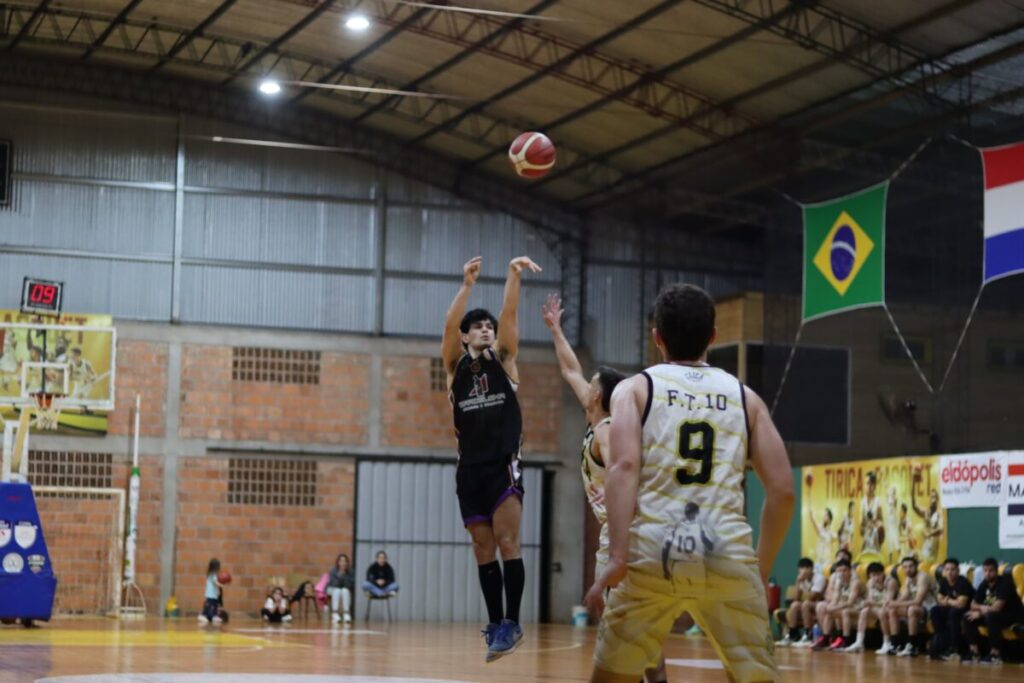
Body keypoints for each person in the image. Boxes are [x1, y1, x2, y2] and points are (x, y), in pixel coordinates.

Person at [585, 283, 795, 683]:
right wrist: (759, 570)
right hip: (725, 550)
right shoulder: (745, 398)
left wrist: (617, 557)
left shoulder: (635, 389)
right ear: (713, 337)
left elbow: (623, 467)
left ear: (656, 338)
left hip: (650, 552)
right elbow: (783, 491)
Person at [541, 293, 670, 683]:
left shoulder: (610, 432)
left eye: (591, 384)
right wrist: (556, 329)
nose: (586, 385)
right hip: (621, 535)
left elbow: (629, 474)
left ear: (598, 396)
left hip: (625, 537)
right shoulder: (598, 414)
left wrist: (622, 542)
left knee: (622, 627)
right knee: (633, 624)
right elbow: (569, 370)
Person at [441, 255, 541, 662]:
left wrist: (512, 276)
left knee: (506, 541)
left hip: (502, 464)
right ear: (466, 337)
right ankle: (497, 623)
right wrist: (466, 285)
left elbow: (510, 313)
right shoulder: (455, 367)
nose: (485, 329)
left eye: (488, 326)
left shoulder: (505, 360)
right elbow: (449, 326)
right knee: (482, 549)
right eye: (477, 326)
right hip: (469, 471)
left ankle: (513, 623)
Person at [964, 557, 1024, 664]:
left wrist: (981, 612)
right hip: (993, 615)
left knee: (991, 616)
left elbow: (997, 608)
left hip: (1013, 616)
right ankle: (974, 652)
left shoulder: (1005, 583)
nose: (987, 573)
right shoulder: (984, 584)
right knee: (968, 616)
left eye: (991, 571)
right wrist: (982, 609)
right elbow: (973, 604)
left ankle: (995, 654)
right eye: (985, 571)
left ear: (996, 571)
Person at [884, 556, 937, 657]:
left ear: (916, 566)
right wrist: (891, 603)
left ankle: (913, 646)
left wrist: (896, 603)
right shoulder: (908, 579)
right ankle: (895, 644)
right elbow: (904, 596)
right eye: (905, 567)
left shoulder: (923, 577)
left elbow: (918, 601)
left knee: (912, 609)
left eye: (911, 566)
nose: (908, 569)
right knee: (893, 610)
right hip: (918, 608)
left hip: (931, 608)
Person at [842, 561, 896, 653]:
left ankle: (887, 642)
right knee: (864, 611)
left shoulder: (890, 582)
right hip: (877, 607)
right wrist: (867, 603)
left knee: (881, 612)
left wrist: (871, 603)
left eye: (878, 574)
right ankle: (859, 642)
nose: (876, 578)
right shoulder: (870, 583)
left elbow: (888, 602)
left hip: (891, 607)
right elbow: (870, 600)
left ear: (883, 573)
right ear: (869, 576)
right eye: (873, 575)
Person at [929, 557, 973, 660]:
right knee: (935, 610)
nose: (950, 572)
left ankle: (955, 648)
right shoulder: (944, 581)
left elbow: (961, 604)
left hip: (966, 610)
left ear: (958, 570)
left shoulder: (963, 582)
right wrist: (949, 601)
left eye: (953, 569)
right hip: (951, 608)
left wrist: (947, 601)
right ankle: (940, 643)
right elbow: (939, 599)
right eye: (947, 569)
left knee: (954, 613)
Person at [776, 557, 825, 647]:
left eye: (803, 569)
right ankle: (792, 634)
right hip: (808, 603)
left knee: (805, 604)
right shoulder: (802, 579)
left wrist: (803, 587)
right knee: (794, 605)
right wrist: (798, 583)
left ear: (810, 568)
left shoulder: (819, 578)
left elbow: (813, 597)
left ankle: (808, 635)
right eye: (800, 569)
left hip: (820, 603)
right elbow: (797, 598)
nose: (801, 572)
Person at [812, 559, 857, 650]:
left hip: (857, 606)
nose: (842, 573)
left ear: (850, 570)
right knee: (829, 611)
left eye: (844, 570)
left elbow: (851, 602)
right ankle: (826, 638)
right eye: (839, 571)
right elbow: (835, 598)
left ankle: (846, 640)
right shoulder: (839, 581)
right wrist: (831, 607)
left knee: (842, 611)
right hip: (845, 604)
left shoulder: (855, 581)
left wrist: (834, 607)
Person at [911, 487, 943, 563]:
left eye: (935, 497)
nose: (933, 499)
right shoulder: (926, 511)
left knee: (929, 562)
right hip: (926, 542)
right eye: (932, 496)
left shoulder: (938, 513)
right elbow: (915, 507)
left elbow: (940, 528)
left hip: (933, 542)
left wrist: (929, 534)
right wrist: (913, 491)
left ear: (937, 499)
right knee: (922, 560)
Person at [328, 553, 355, 624]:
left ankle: (346, 613)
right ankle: (335, 613)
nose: (343, 563)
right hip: (332, 589)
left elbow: (349, 585)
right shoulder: (333, 571)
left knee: (345, 590)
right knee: (337, 591)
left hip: (344, 589)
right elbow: (333, 584)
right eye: (341, 561)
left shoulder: (350, 572)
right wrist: (339, 576)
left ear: (347, 563)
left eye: (344, 561)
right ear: (338, 562)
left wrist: (344, 576)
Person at [807, 506, 836, 570]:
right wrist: (811, 515)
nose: (823, 516)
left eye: (825, 515)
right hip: (819, 560)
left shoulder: (832, 532)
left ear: (829, 518)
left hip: (827, 561)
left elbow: (834, 538)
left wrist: (829, 529)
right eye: (824, 515)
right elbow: (814, 523)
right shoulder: (820, 528)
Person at [198, 558, 225, 626]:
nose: (219, 568)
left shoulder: (213, 574)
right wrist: (221, 584)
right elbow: (216, 583)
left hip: (214, 595)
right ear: (215, 567)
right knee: (209, 606)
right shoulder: (212, 575)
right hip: (210, 595)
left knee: (215, 606)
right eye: (218, 566)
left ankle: (214, 616)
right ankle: (203, 615)